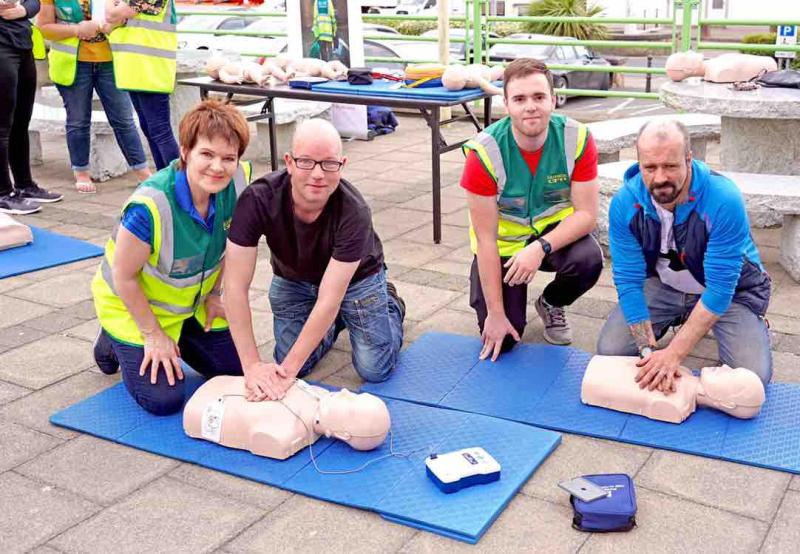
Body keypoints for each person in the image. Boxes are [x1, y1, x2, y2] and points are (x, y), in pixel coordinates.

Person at [223, 118, 405, 402]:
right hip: (294, 279)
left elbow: (329, 299)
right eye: (306, 162)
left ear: (342, 165)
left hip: (357, 281)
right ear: (289, 162)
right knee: (297, 361)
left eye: (329, 164)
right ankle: (335, 323)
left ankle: (390, 303)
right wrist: (252, 366)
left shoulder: (354, 211)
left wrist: (285, 376)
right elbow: (234, 287)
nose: (318, 174)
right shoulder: (257, 199)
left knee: (374, 368)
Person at [90, 100, 253, 415]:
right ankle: (111, 339)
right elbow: (123, 277)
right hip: (131, 307)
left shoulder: (238, 180)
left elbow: (230, 245)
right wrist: (153, 335)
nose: (218, 167)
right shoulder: (150, 207)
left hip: (190, 306)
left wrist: (215, 294)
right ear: (185, 151)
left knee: (235, 371)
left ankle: (175, 336)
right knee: (164, 400)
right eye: (207, 154)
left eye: (228, 158)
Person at [596, 120, 772, 393]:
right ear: (639, 163)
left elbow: (720, 288)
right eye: (650, 167)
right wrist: (648, 353)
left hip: (731, 292)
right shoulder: (624, 203)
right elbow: (628, 280)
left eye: (670, 166)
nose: (660, 178)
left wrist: (673, 354)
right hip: (664, 286)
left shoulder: (723, 198)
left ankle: (749, 325)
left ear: (689, 159)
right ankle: (681, 319)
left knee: (753, 377)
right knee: (611, 350)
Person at [461, 58, 602, 361]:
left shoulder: (576, 137)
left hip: (552, 239)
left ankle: (551, 302)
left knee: (589, 259)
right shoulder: (483, 153)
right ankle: (500, 307)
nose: (530, 107)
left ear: (553, 99)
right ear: (506, 103)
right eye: (520, 99)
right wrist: (495, 314)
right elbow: (485, 239)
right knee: (506, 340)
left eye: (539, 97)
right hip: (503, 246)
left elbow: (587, 215)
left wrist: (539, 248)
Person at [37, 0, 150, 193]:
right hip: (72, 64)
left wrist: (117, 22)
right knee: (78, 120)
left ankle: (142, 171)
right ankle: (81, 171)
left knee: (124, 120)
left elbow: (132, 15)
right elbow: (44, 27)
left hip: (111, 62)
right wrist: (76, 30)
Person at [183, 376, 390, 460]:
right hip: (216, 391)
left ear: (343, 434)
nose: (345, 392)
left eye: (351, 405)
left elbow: (263, 438)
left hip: (202, 408)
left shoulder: (287, 433)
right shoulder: (316, 393)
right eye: (355, 395)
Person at [0, 0, 63, 214]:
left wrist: (23, 10)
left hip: (22, 44)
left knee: (21, 122)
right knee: (2, 126)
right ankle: (3, 193)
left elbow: (35, 2)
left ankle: (25, 185)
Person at [105, 0, 180, 170]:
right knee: (150, 129)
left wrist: (113, 17)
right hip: (136, 69)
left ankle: (179, 180)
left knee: (160, 131)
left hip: (151, 69)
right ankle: (164, 178)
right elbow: (112, 20)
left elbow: (111, 16)